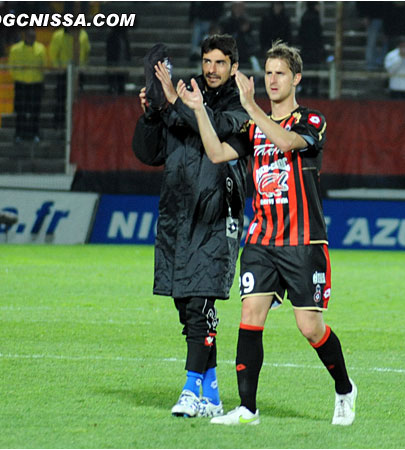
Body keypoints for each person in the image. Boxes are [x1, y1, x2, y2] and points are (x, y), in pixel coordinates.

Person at [176, 41, 357, 426]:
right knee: (250, 314)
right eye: (269, 73)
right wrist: (198, 112)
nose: (273, 79)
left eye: (280, 74)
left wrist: (252, 107)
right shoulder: (251, 126)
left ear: (297, 79)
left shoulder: (311, 121)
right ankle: (248, 409)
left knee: (309, 327)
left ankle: (344, 388)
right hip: (261, 239)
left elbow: (287, 142)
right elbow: (216, 153)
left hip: (304, 241)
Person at [131, 35, 250, 418]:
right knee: (186, 306)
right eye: (206, 61)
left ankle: (189, 389)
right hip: (177, 215)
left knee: (200, 303)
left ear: (233, 67)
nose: (211, 69)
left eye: (220, 63)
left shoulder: (241, 107)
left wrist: (175, 102)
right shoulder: (185, 98)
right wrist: (153, 112)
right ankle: (212, 395)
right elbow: (149, 153)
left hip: (216, 215)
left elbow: (212, 125)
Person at [8, 28, 47, 143]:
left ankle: (34, 133)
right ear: (25, 36)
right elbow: (11, 65)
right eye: (30, 36)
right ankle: (19, 134)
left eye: (33, 36)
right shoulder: (16, 49)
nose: (31, 38)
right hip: (21, 84)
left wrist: (40, 78)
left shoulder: (40, 49)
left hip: (36, 84)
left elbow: (43, 65)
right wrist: (18, 76)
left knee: (35, 111)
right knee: (21, 111)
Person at [48, 26, 90, 128]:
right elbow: (53, 54)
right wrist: (59, 67)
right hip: (64, 73)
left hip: (78, 72)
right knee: (61, 100)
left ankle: (77, 125)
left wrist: (82, 67)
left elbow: (86, 52)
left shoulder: (83, 35)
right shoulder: (58, 36)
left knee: (78, 99)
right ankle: (59, 125)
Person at [298, 1, 324, 97]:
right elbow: (318, 35)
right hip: (314, 49)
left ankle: (304, 89)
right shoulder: (315, 18)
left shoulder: (304, 17)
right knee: (314, 70)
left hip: (306, 49)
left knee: (305, 70)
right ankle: (314, 90)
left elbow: (300, 34)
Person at [105, 26, 131, 94]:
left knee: (121, 85)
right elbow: (110, 53)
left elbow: (127, 52)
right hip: (114, 64)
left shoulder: (124, 38)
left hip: (122, 63)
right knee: (113, 84)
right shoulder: (112, 38)